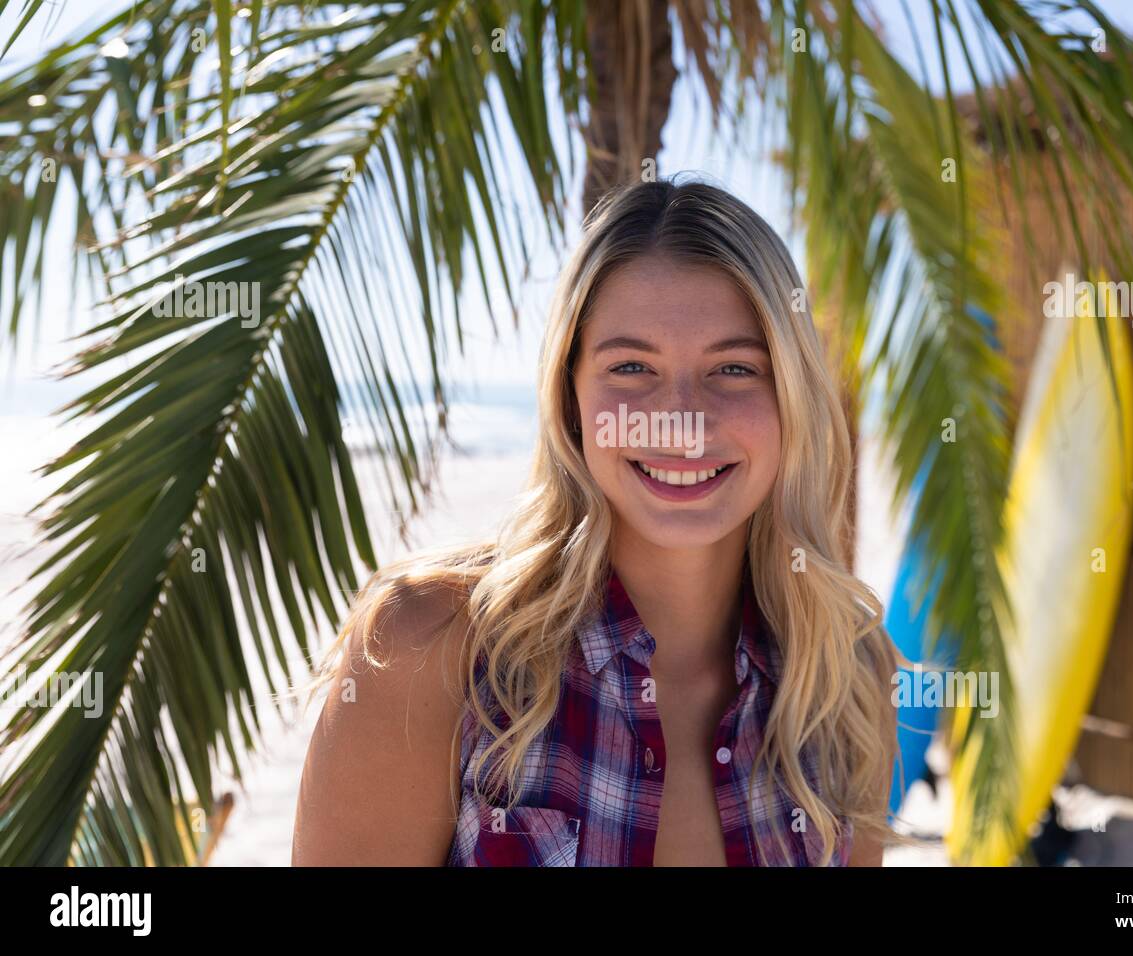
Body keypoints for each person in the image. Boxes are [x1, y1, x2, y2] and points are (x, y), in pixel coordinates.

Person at [291, 177, 901, 866]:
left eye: (733, 367)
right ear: (570, 396)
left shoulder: (845, 680)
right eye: (632, 366)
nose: (679, 419)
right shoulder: (430, 648)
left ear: (791, 396)